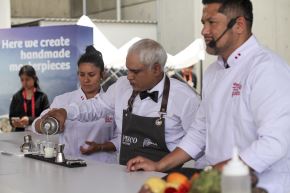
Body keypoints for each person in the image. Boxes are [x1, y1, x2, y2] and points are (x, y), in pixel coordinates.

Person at [126, 1, 290, 193]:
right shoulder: (213, 72)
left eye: (212, 22)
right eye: (203, 23)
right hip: (216, 185)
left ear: (239, 25)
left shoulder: (267, 68)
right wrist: (159, 166)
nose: (204, 31)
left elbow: (274, 143)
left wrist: (211, 173)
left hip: (263, 186)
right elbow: (199, 132)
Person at [41, 39, 201, 167]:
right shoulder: (122, 86)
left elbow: (199, 140)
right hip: (126, 173)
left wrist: (160, 165)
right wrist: (66, 112)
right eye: (128, 70)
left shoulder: (185, 98)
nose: (129, 76)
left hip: (167, 178)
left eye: (135, 71)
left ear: (156, 69)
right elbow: (96, 106)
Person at [32, 46, 117, 163]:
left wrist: (101, 147)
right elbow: (35, 125)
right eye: (82, 75)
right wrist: (48, 125)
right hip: (69, 165)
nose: (86, 80)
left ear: (102, 75)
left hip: (104, 167)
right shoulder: (63, 100)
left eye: (91, 75)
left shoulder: (112, 102)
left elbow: (120, 138)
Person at [9, 65, 49, 132]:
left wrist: (29, 120)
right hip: (19, 133)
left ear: (34, 78)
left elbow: (46, 117)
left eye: (27, 79)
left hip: (38, 132)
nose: (24, 82)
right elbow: (11, 118)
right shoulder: (16, 97)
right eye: (22, 80)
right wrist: (14, 123)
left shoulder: (42, 97)